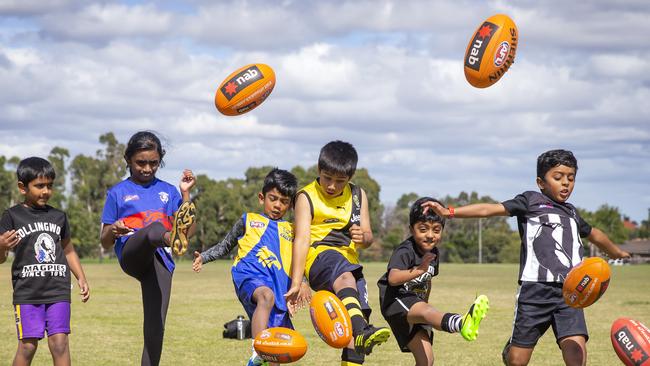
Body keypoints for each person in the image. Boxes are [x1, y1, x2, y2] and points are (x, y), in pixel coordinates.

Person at [423, 149, 631, 366]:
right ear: (541, 182)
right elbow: (489, 209)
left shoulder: (572, 213)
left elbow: (595, 233)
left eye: (571, 178)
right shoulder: (530, 201)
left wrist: (616, 252)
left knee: (576, 353)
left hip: (571, 292)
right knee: (517, 361)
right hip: (534, 291)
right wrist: (450, 212)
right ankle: (513, 346)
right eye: (558, 177)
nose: (566, 183)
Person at [285, 140, 390, 366]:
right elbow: (301, 240)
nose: (332, 186)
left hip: (350, 265)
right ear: (318, 170)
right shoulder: (305, 197)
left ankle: (360, 330)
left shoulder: (358, 195)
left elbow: (368, 236)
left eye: (340, 181)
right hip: (319, 258)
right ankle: (362, 328)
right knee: (347, 286)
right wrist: (297, 281)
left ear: (350, 177)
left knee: (354, 333)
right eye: (327, 178)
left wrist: (364, 238)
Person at [192, 168, 310, 366]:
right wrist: (203, 257)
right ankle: (257, 349)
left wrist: (304, 282)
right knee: (266, 297)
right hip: (249, 276)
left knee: (276, 353)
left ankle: (261, 358)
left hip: (279, 288)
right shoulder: (249, 220)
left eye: (284, 201)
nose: (277, 205)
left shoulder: (292, 230)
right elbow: (225, 245)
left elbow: (298, 259)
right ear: (261, 198)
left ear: (290, 206)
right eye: (273, 199)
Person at [100, 131, 196, 366]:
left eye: (153, 163)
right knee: (154, 229)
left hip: (160, 260)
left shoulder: (169, 191)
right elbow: (104, 240)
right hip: (133, 252)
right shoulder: (117, 193)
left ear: (159, 160)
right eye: (141, 162)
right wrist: (114, 230)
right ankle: (166, 237)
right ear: (129, 160)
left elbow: (188, 233)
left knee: (156, 327)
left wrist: (185, 194)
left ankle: (167, 238)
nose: (147, 168)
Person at [377, 197, 489, 366]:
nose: (430, 235)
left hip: (415, 306)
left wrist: (425, 302)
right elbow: (392, 279)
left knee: (426, 360)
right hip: (396, 301)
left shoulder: (433, 253)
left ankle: (445, 319)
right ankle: (460, 323)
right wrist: (419, 270)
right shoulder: (405, 251)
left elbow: (428, 281)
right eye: (423, 229)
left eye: (436, 230)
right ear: (411, 229)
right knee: (427, 311)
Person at [0, 157, 90, 366]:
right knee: (28, 345)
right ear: (23, 187)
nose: (45, 191)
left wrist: (81, 277)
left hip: (58, 289)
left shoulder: (59, 216)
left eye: (49, 185)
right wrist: (2, 246)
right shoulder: (12, 216)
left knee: (60, 343)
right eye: (39, 186)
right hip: (28, 292)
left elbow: (68, 250)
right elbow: (1, 258)